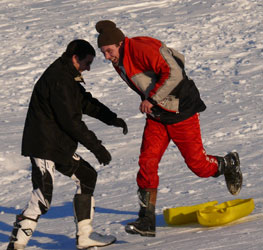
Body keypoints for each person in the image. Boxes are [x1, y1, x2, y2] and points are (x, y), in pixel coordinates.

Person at [95, 20, 243, 237]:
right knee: (147, 161)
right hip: (157, 116)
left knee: (198, 166)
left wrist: (153, 99)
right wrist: (153, 102)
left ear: (120, 42)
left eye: (108, 51)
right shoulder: (120, 59)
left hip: (181, 111)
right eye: (103, 52)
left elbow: (175, 71)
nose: (107, 57)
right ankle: (146, 220)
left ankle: (229, 163)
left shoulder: (141, 49)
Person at [7, 39, 128, 250]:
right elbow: (71, 122)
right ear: (75, 58)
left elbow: (84, 101)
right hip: (44, 146)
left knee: (87, 176)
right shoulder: (59, 80)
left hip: (58, 145)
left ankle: (85, 236)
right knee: (42, 199)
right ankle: (16, 245)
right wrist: (96, 147)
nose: (89, 67)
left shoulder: (67, 76)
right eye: (87, 62)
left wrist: (111, 118)